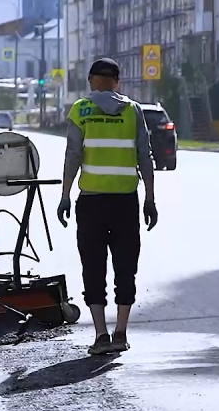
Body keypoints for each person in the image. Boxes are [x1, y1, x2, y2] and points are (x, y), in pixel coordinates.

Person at [57, 58, 158, 355]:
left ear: (91, 80)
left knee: (93, 266)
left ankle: (101, 335)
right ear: (117, 82)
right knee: (126, 268)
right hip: (126, 201)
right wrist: (150, 200)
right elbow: (145, 157)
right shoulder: (132, 110)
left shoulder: (80, 110)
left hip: (91, 203)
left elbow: (72, 155)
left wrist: (64, 194)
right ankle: (121, 333)